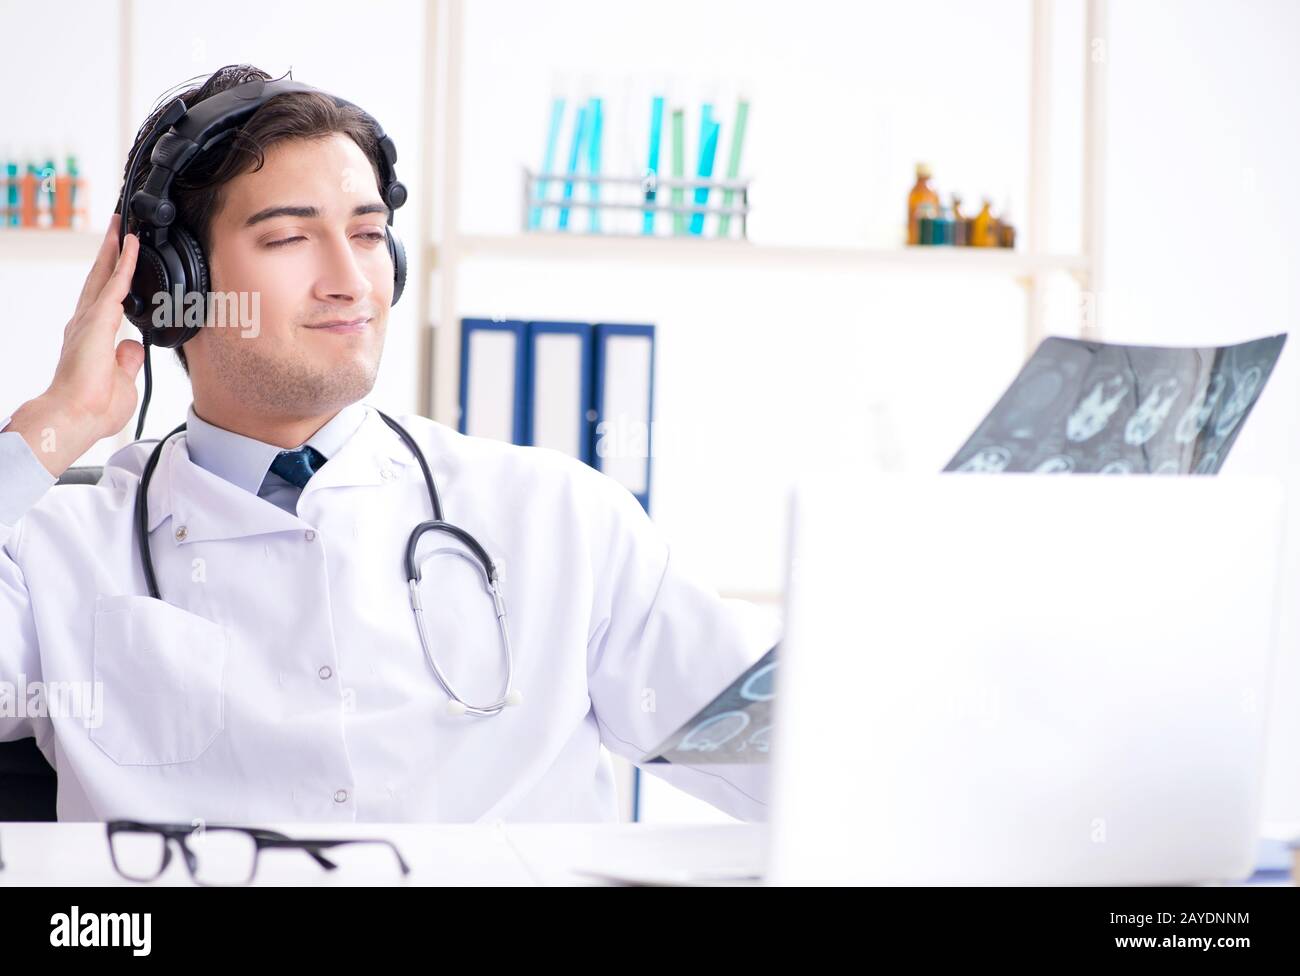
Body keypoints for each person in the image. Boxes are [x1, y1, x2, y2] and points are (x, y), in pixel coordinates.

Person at [0, 65, 776, 823]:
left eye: (369, 234)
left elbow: (801, 758)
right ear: (175, 284)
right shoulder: (58, 550)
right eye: (289, 239)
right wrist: (55, 424)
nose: (351, 282)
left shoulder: (561, 520)